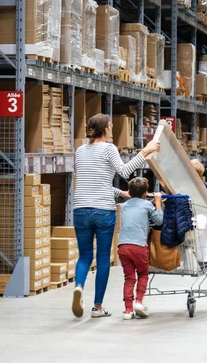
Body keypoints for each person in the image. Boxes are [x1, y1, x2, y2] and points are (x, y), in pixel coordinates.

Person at [72, 113, 161, 318]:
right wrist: (145, 151)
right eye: (110, 127)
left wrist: (120, 193)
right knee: (103, 258)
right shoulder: (109, 148)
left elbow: (95, 181)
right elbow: (124, 171)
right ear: (105, 130)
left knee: (85, 255)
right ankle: (97, 307)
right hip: (103, 210)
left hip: (80, 209)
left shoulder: (80, 151)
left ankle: (78, 286)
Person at [118, 178, 163, 320]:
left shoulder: (124, 206)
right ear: (146, 193)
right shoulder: (147, 206)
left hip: (123, 246)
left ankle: (127, 310)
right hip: (139, 247)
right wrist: (157, 203)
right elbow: (158, 221)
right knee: (143, 273)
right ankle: (138, 302)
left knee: (129, 278)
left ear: (129, 192)